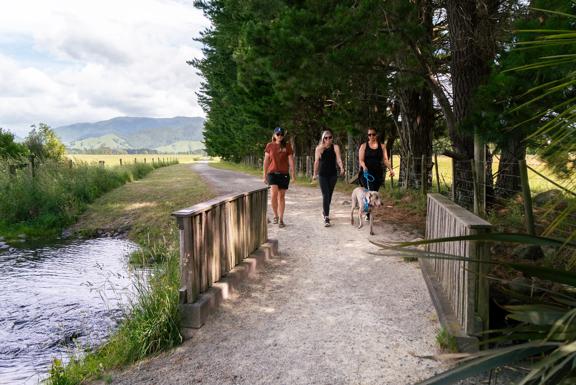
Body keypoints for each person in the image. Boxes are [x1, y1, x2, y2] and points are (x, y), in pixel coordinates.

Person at [263, 127, 295, 228]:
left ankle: (281, 219)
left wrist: (293, 174)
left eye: (281, 134)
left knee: (281, 196)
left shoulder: (287, 146)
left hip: (284, 174)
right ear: (274, 135)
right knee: (273, 194)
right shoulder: (270, 146)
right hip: (272, 173)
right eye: (278, 134)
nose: (280, 136)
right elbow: (266, 161)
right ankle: (275, 215)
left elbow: (290, 160)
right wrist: (264, 175)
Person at [313, 129, 344, 227]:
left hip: (333, 175)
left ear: (332, 138)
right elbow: (316, 162)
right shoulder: (319, 148)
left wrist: (342, 167)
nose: (328, 139)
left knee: (329, 195)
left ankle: (324, 211)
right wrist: (314, 174)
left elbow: (338, 158)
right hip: (322, 175)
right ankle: (326, 217)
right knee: (325, 195)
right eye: (326, 138)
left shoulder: (335, 147)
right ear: (323, 139)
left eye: (330, 137)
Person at [358, 127, 395, 192]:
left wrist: (391, 169)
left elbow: (385, 160)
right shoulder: (363, 146)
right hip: (366, 172)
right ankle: (367, 202)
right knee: (370, 191)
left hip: (378, 173)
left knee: (375, 192)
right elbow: (361, 160)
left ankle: (368, 202)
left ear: (376, 135)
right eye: (369, 135)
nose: (371, 136)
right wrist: (364, 167)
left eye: (373, 134)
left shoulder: (382, 146)